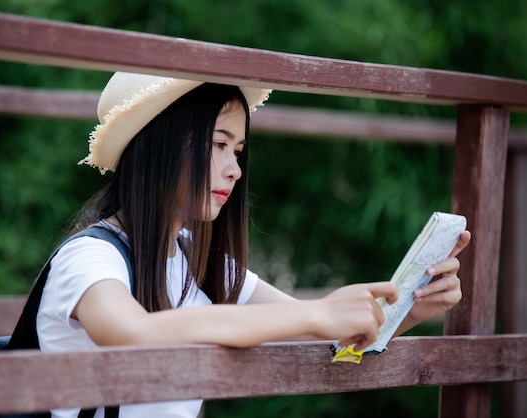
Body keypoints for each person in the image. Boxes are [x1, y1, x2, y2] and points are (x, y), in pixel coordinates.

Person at [36, 72, 471, 418]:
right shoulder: (91, 257)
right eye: (219, 144)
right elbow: (132, 333)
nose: (234, 170)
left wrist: (410, 307)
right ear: (158, 145)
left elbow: (329, 343)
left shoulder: (197, 260)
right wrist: (316, 312)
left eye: (238, 151)